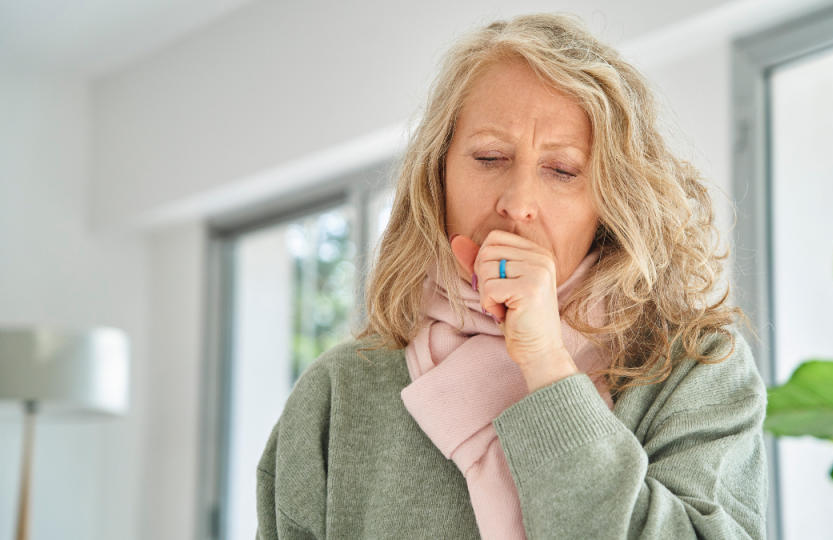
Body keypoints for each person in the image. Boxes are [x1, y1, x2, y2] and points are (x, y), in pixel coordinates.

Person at [256, 12, 767, 540]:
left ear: (611, 201)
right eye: (489, 157)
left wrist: (546, 364)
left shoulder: (695, 367)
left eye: (563, 170)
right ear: (439, 177)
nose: (517, 203)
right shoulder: (340, 391)